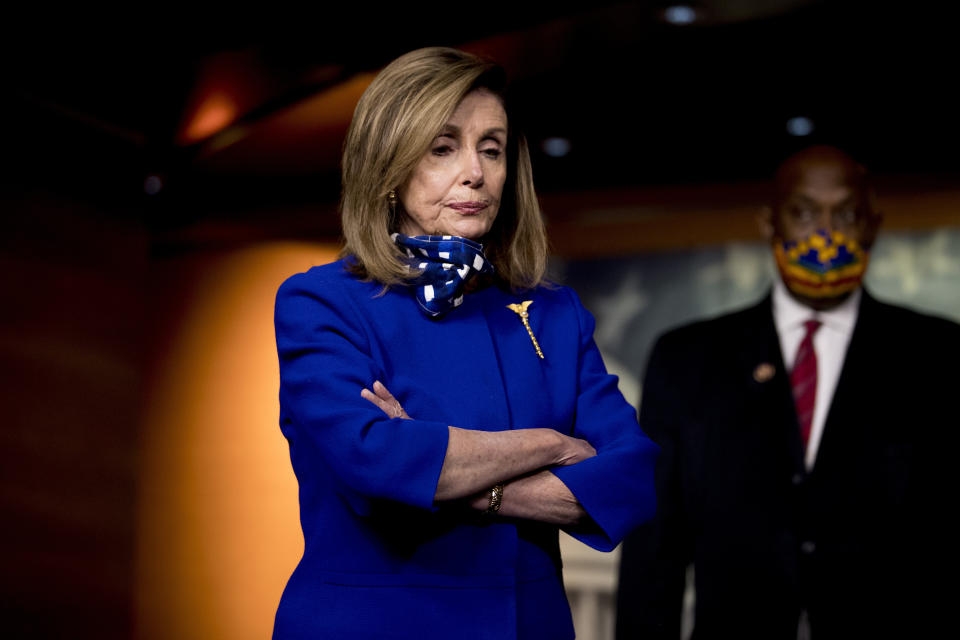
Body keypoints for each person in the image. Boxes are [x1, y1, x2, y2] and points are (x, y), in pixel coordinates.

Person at [271, 47, 658, 640]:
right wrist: (553, 444)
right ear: (389, 165)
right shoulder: (321, 302)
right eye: (442, 147)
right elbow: (373, 459)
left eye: (492, 148)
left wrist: (449, 475)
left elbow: (629, 478)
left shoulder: (555, 314)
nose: (474, 171)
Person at [615, 145, 959, 639]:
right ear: (769, 223)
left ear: (873, 226)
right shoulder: (687, 360)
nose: (825, 233)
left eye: (845, 213)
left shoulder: (939, 355)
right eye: (802, 213)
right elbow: (654, 553)